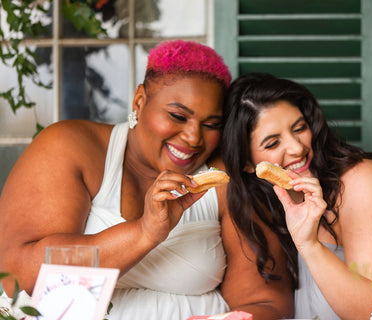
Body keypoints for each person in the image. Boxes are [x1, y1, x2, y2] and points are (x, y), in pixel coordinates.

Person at [0, 43, 293, 320]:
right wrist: (144, 233)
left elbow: (267, 302)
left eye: (211, 124)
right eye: (178, 116)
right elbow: (18, 278)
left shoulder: (224, 178)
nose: (194, 138)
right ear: (140, 101)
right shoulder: (71, 146)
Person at [221, 72, 372, 320]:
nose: (297, 147)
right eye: (273, 143)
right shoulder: (275, 202)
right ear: (247, 163)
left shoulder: (362, 181)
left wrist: (309, 245)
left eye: (299, 128)